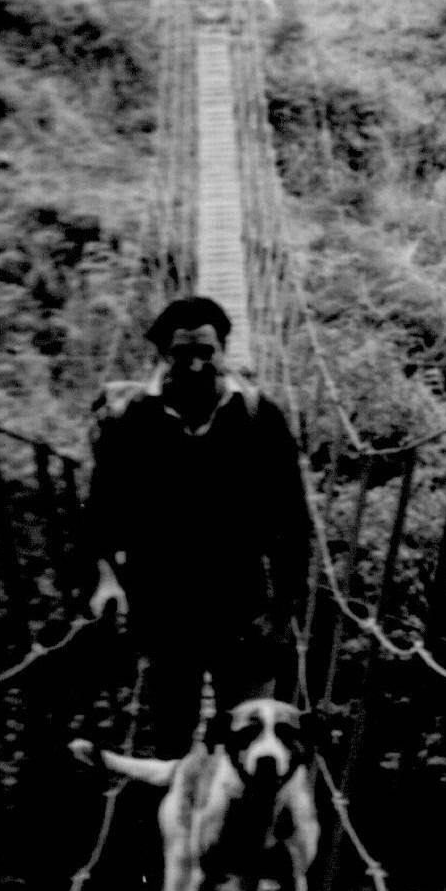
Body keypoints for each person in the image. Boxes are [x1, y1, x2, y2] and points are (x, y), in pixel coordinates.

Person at [87, 295, 312, 757]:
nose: (194, 365)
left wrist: (283, 608)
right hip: (163, 608)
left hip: (243, 604)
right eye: (181, 353)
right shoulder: (131, 421)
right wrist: (107, 578)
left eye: (206, 352)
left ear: (224, 351)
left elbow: (293, 518)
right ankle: (184, 825)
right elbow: (101, 510)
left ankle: (240, 824)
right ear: (162, 355)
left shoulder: (258, 417)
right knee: (172, 737)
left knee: (250, 742)